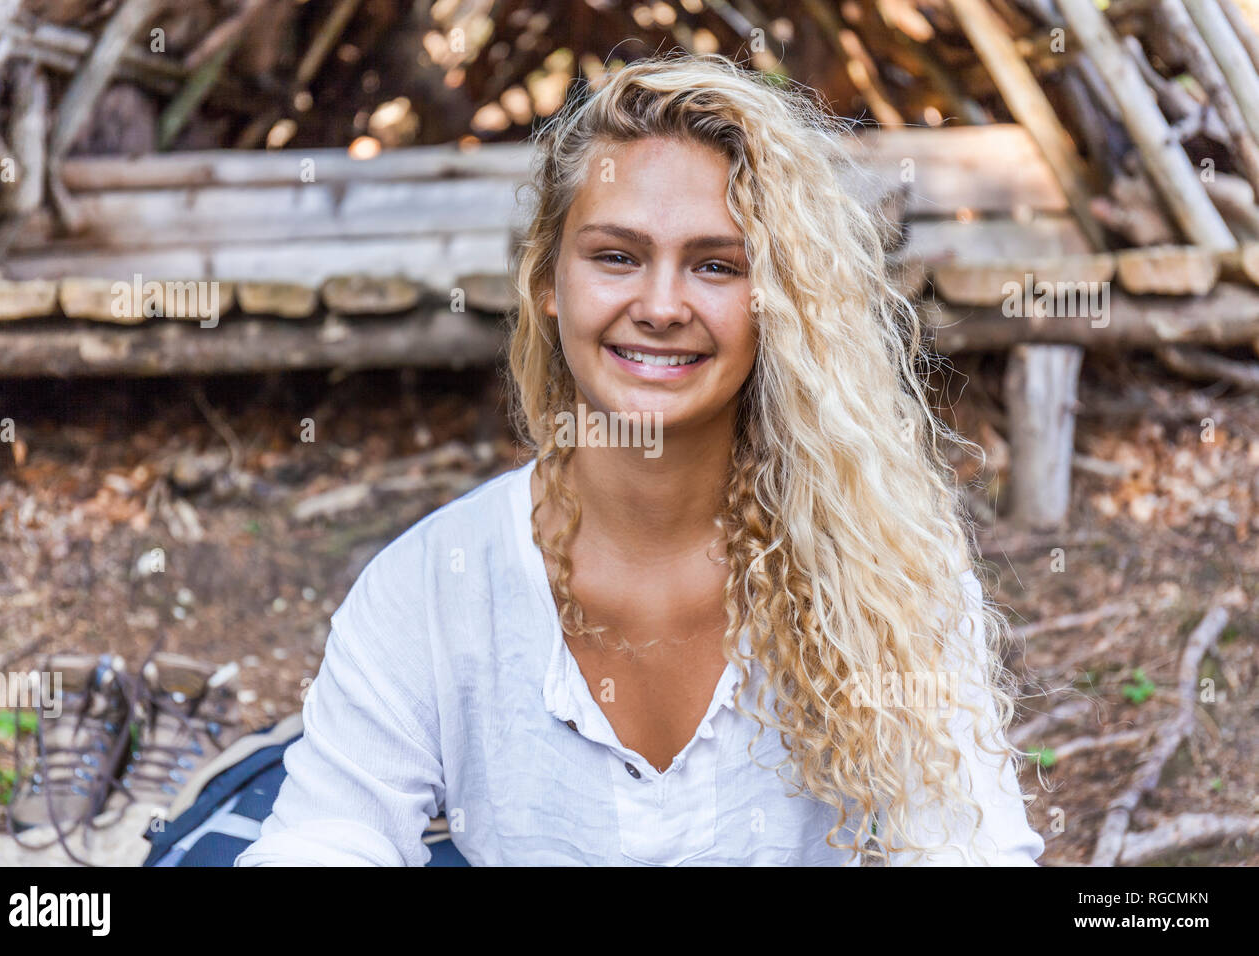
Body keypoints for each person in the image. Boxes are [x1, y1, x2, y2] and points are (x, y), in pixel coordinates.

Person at [236, 53, 1045, 866]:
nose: (660, 307)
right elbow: (326, 837)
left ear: (780, 306)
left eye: (717, 265)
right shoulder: (431, 585)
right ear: (549, 280)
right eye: (617, 256)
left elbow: (970, 845)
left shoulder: (884, 569)